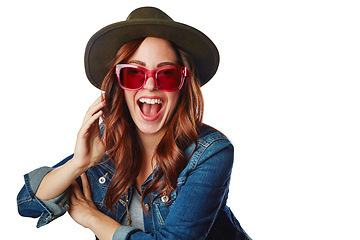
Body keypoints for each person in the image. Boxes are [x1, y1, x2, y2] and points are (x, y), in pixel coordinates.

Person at [17, 6, 251, 240]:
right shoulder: (105, 147)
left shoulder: (211, 152)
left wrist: (93, 219)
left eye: (167, 75)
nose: (150, 85)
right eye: (134, 74)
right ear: (119, 85)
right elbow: (28, 203)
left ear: (183, 86)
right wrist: (80, 163)